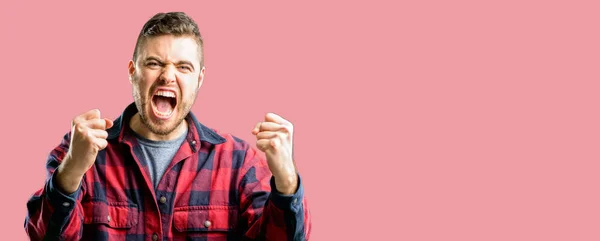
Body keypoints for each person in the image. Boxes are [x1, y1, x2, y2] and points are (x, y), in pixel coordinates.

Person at [24, 12, 311, 241]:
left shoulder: (238, 162)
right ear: (133, 71)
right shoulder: (82, 150)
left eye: (183, 67)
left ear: (199, 79)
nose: (167, 76)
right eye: (154, 63)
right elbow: (43, 235)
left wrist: (287, 181)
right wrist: (73, 169)